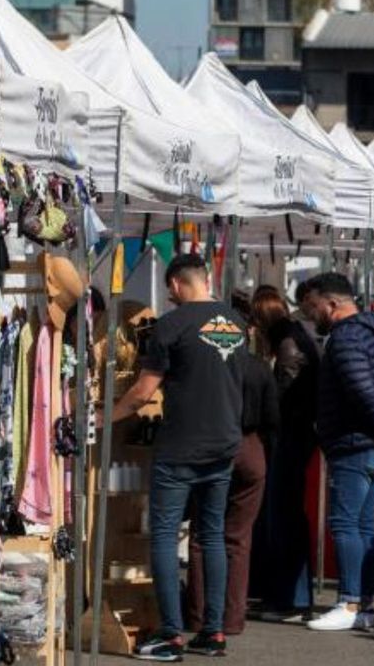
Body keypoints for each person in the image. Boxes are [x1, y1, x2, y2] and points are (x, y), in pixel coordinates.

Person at [108, 254, 248, 661]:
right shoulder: (237, 323)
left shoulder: (171, 325)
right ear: (206, 279)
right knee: (212, 535)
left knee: (166, 536)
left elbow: (142, 392)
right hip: (224, 443)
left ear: (174, 284)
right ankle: (213, 632)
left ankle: (170, 634)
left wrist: (103, 418)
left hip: (181, 448)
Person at [303, 273, 374, 631]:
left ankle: (349, 602)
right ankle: (363, 605)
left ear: (332, 304)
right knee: (364, 525)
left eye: (313, 306)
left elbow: (361, 389)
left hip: (355, 443)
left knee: (345, 523)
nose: (310, 314)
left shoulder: (346, 338)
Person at [186, 330, 278, 635]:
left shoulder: (206, 366)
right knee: (238, 539)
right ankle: (232, 618)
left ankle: (199, 615)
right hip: (251, 447)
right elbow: (272, 418)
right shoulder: (259, 366)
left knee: (202, 536)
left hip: (212, 445)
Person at [252, 289, 322, 621]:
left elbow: (282, 400)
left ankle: (290, 599)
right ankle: (288, 596)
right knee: (285, 516)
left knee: (284, 516)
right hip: (296, 436)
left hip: (289, 439)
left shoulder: (287, 345)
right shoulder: (294, 338)